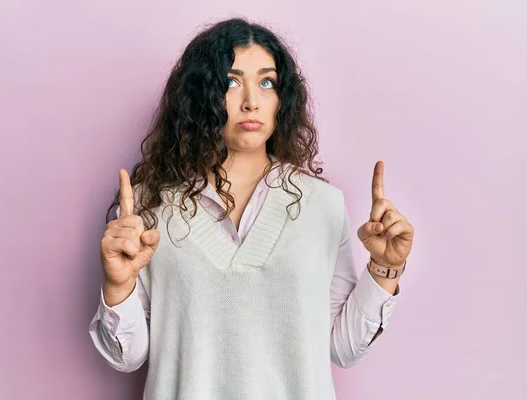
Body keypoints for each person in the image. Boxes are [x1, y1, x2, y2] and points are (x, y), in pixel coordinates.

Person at [89, 17, 415, 400]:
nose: (251, 101)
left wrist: (384, 269)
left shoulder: (323, 205)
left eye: (266, 82)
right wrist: (118, 285)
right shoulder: (148, 207)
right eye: (230, 81)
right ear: (201, 96)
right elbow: (126, 358)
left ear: (282, 98)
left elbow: (342, 348)